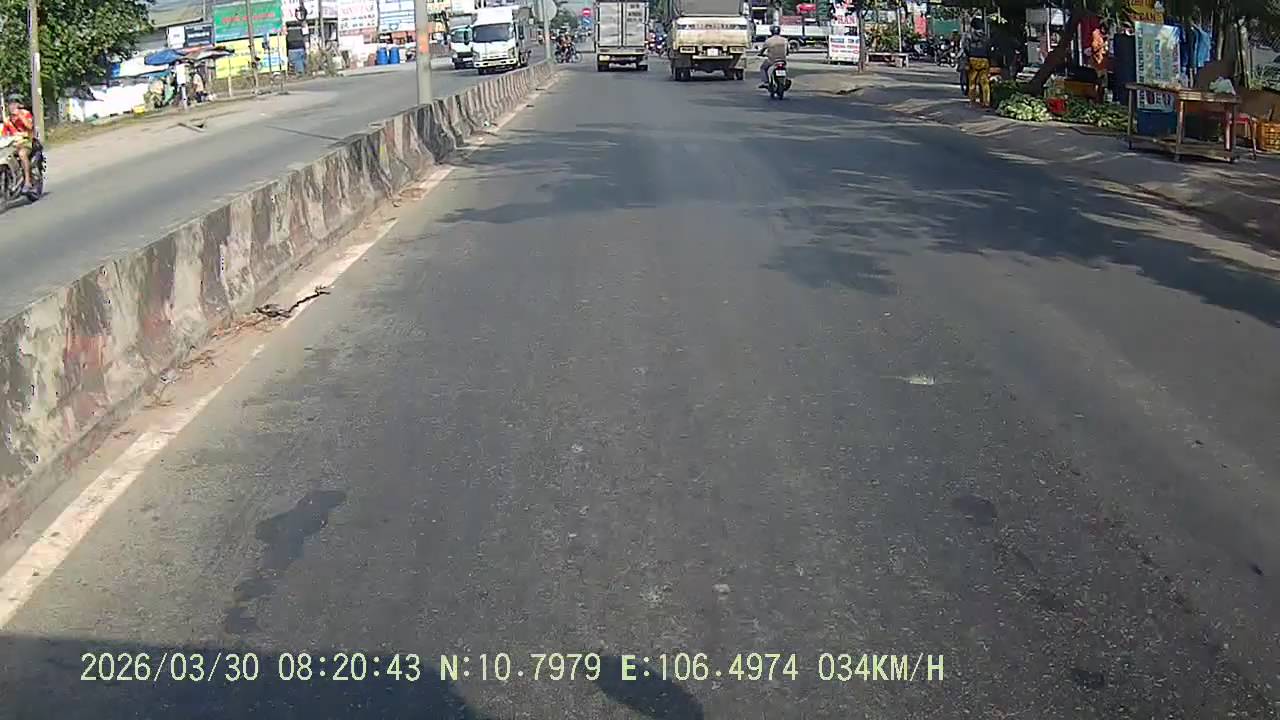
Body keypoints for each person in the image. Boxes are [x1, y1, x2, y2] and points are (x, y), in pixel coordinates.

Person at [2, 94, 36, 193]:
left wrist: (20, 116)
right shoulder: (7, 120)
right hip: (13, 144)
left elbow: (30, 126)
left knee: (22, 154)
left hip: (26, 142)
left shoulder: (25, 114)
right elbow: (4, 134)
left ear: (19, 105)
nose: (12, 106)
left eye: (14, 104)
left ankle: (27, 182)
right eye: (10, 104)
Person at [964, 18, 992, 107]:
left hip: (973, 60)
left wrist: (968, 59)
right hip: (984, 60)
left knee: (972, 82)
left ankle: (972, 101)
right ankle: (986, 101)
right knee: (985, 82)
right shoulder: (985, 37)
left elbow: (966, 48)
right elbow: (989, 49)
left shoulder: (969, 36)